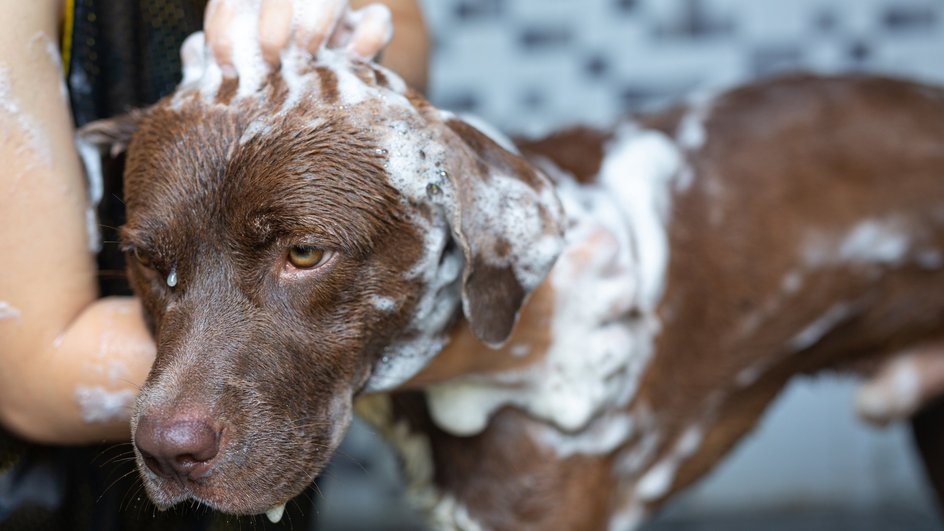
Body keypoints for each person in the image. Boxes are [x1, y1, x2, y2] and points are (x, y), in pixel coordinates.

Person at [0, 0, 427, 526]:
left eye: (302, 252)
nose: (169, 431)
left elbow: (403, 30)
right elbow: (31, 377)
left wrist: (348, 60)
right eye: (154, 264)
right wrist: (498, 351)